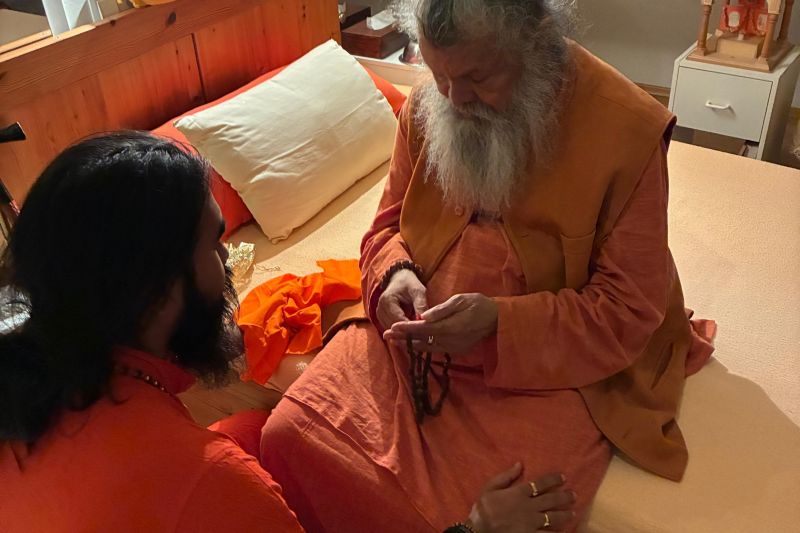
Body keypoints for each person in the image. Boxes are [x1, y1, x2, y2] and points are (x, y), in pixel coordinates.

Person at [260, 1, 714, 532]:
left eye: (478, 78)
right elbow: (385, 229)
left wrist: (499, 325)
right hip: (412, 343)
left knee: (509, 512)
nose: (453, 98)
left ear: (536, 43)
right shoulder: (432, 100)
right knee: (289, 433)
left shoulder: (626, 129)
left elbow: (628, 309)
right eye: (438, 74)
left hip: (548, 363)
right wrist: (394, 274)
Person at [0, 132, 575, 532]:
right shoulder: (217, 482)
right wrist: (475, 529)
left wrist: (396, 267)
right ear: (151, 288)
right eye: (214, 244)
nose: (227, 264)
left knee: (255, 429)